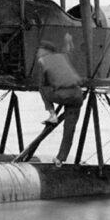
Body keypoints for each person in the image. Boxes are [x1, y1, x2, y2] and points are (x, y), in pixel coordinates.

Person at [31, 37, 83, 167]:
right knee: (69, 129)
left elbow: (42, 83)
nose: (38, 53)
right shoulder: (63, 57)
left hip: (63, 95)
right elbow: (70, 52)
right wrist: (69, 41)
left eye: (39, 50)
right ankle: (60, 158)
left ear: (44, 51)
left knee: (42, 88)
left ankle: (52, 114)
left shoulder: (42, 61)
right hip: (77, 96)